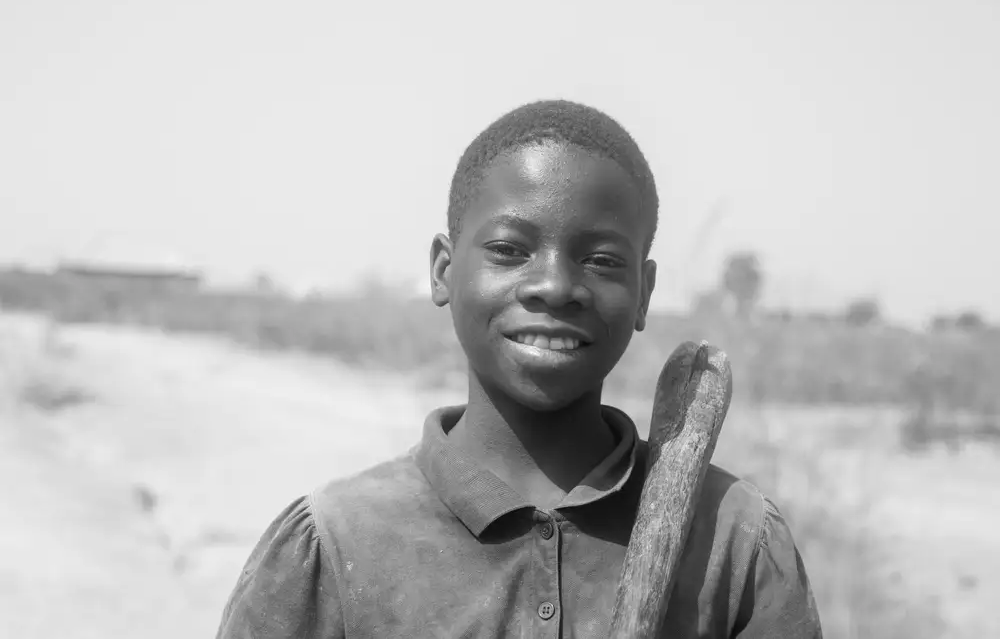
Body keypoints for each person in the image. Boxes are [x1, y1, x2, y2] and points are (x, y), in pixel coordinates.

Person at [215, 100, 822, 638]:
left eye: (602, 260)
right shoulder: (336, 543)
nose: (556, 286)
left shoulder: (735, 541)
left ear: (644, 293)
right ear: (444, 272)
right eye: (509, 250)